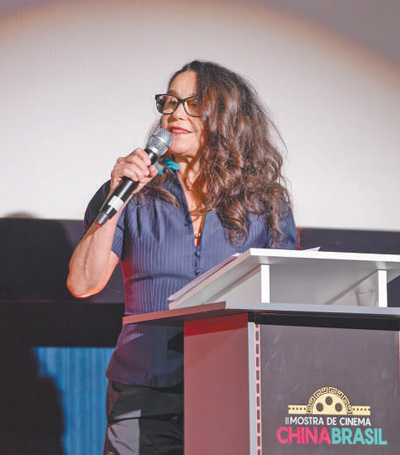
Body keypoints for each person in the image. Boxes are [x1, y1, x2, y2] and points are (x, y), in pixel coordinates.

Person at [67, 60, 297, 455]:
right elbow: (82, 283)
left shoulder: (263, 203)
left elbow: (285, 301)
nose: (175, 113)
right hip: (143, 390)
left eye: (194, 104)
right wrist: (117, 194)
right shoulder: (134, 193)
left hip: (232, 388)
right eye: (170, 102)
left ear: (227, 117)